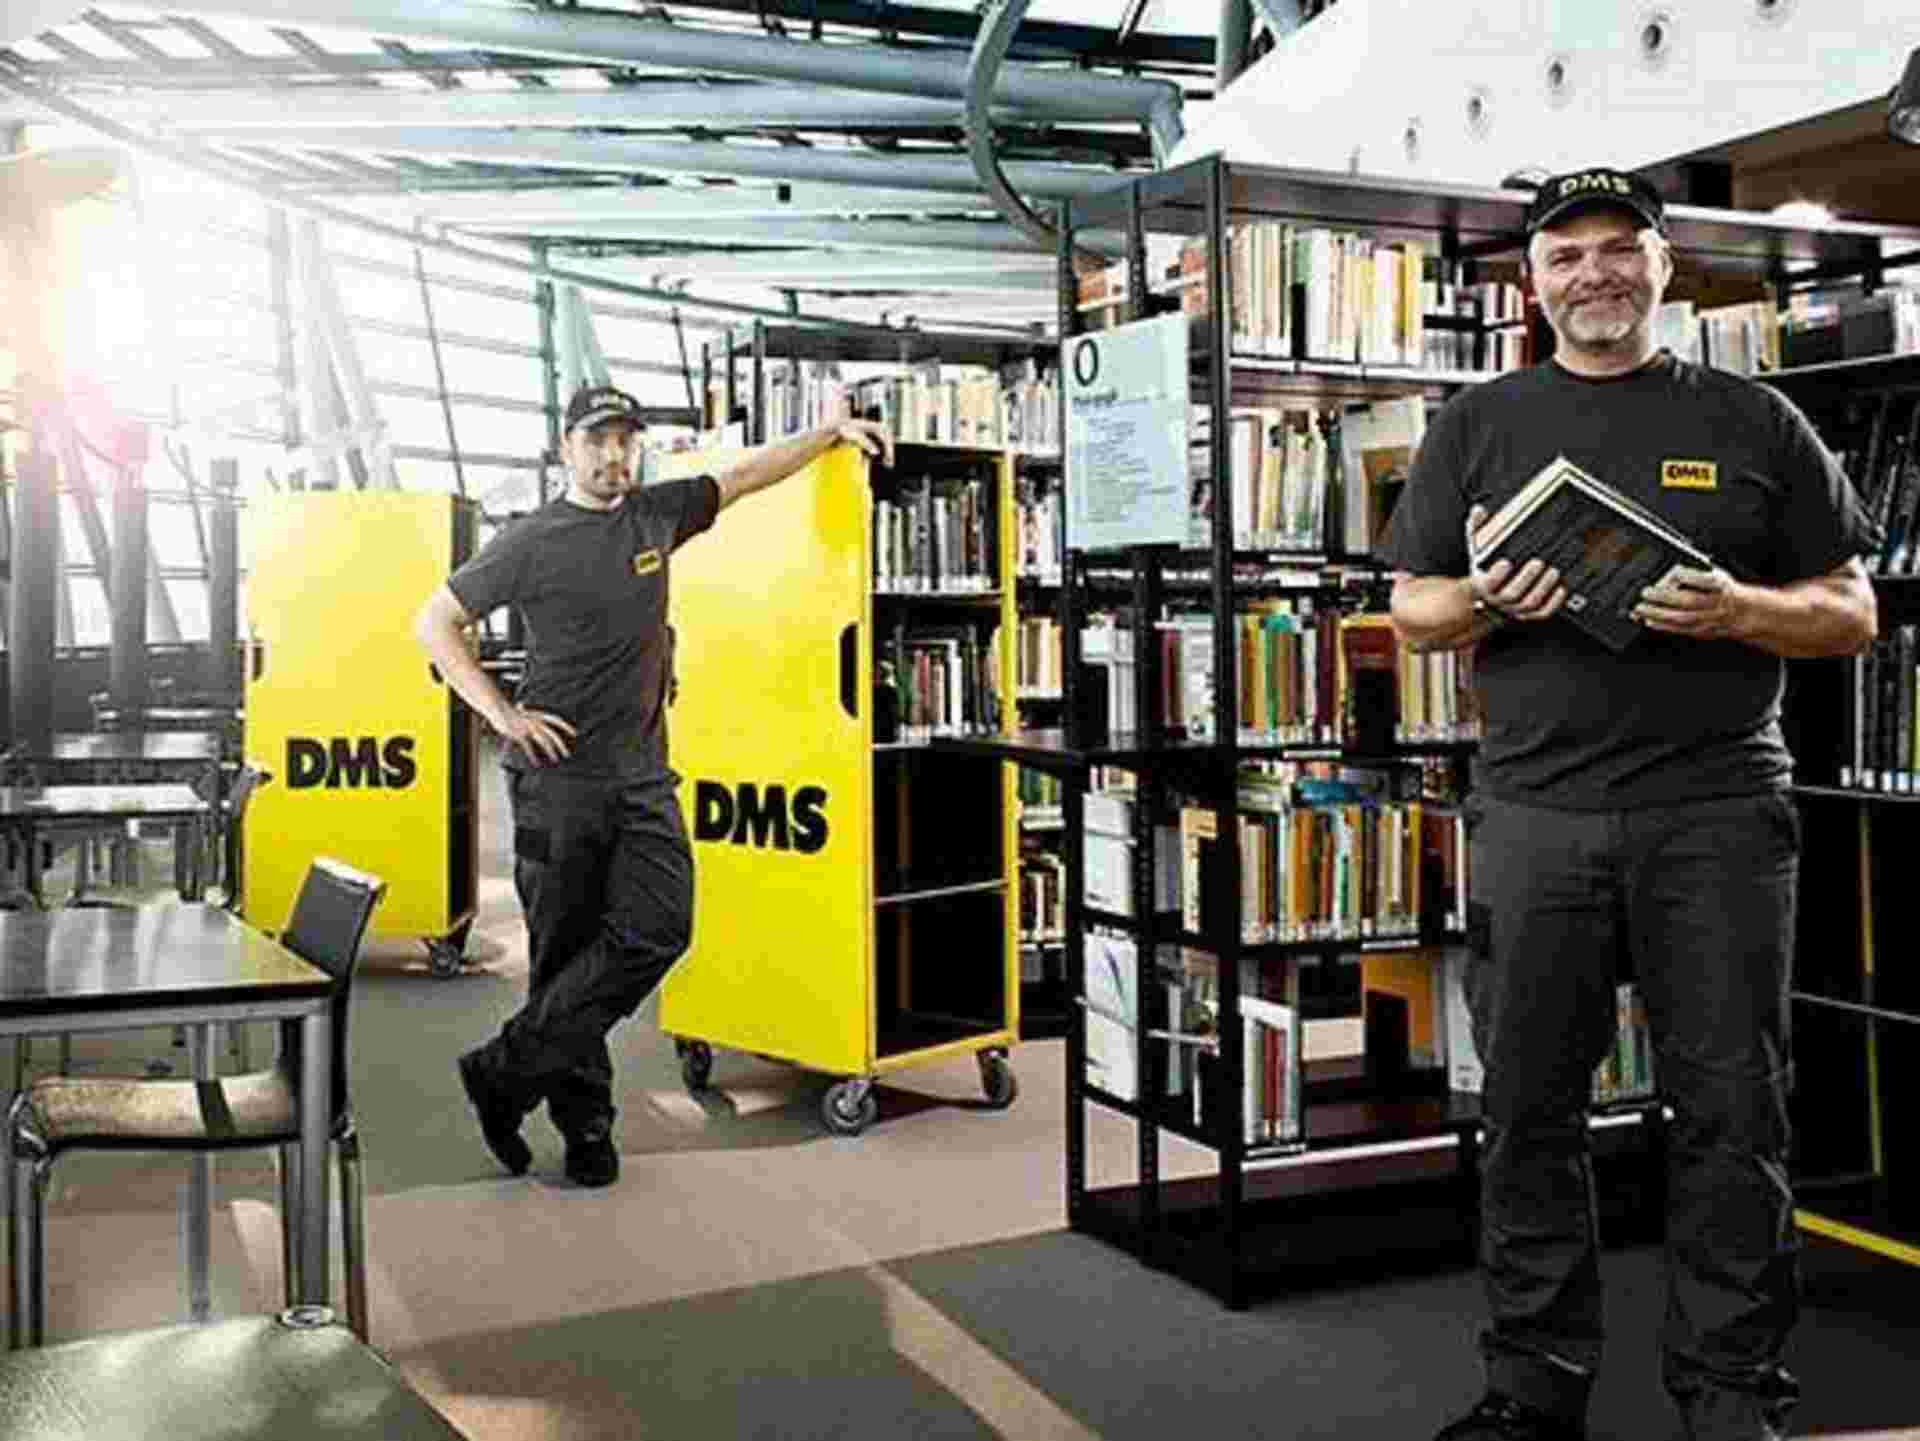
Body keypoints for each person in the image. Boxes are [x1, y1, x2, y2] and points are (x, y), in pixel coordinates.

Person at [1381, 168, 1880, 1441]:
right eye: (1566, 255)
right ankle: (1533, 1386)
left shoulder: (1755, 419)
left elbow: (1852, 610)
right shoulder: (1478, 423)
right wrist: (1485, 598)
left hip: (1718, 815)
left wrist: (1741, 609)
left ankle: (1730, 1395)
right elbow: (1413, 609)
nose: (1593, 273)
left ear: (1664, 266)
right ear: (1532, 283)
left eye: (1619, 248)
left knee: (1733, 1112)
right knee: (1527, 1112)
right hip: (1534, 816)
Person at [414, 383, 892, 1187]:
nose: (614, 455)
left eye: (626, 440)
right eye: (598, 440)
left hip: (642, 777)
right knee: (566, 954)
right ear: (567, 448)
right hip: (558, 784)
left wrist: (829, 432)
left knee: (661, 925)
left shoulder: (655, 515)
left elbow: (745, 475)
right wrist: (502, 713)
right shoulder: (530, 540)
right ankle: (587, 1127)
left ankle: (504, 1069)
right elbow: (434, 621)